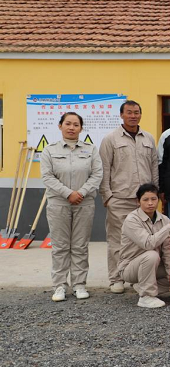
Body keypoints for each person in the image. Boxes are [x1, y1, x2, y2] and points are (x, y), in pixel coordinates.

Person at [40, 112, 103, 302]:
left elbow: (97, 174)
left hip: (84, 203)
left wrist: (81, 193)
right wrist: (68, 193)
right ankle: (59, 286)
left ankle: (79, 284)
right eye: (68, 123)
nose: (72, 128)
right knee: (60, 246)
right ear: (60, 126)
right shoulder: (49, 150)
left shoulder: (91, 149)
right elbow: (47, 176)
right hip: (58, 203)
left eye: (76, 124)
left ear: (81, 128)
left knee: (80, 245)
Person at [100, 100, 159, 294]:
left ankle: (137, 277)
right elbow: (104, 168)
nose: (133, 116)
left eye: (136, 112)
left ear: (140, 114)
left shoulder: (148, 138)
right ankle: (116, 278)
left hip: (145, 201)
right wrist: (107, 197)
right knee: (117, 240)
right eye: (129, 112)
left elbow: (154, 167)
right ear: (121, 115)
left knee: (143, 240)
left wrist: (154, 194)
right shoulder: (111, 139)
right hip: (120, 198)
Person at [118, 184, 170, 309]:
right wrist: (168, 228)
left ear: (159, 200)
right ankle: (146, 296)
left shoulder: (165, 220)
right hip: (130, 268)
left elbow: (168, 251)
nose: (150, 203)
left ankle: (142, 286)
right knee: (152, 255)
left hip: (153, 265)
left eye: (153, 199)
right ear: (138, 201)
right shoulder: (132, 220)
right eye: (145, 199)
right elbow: (148, 244)